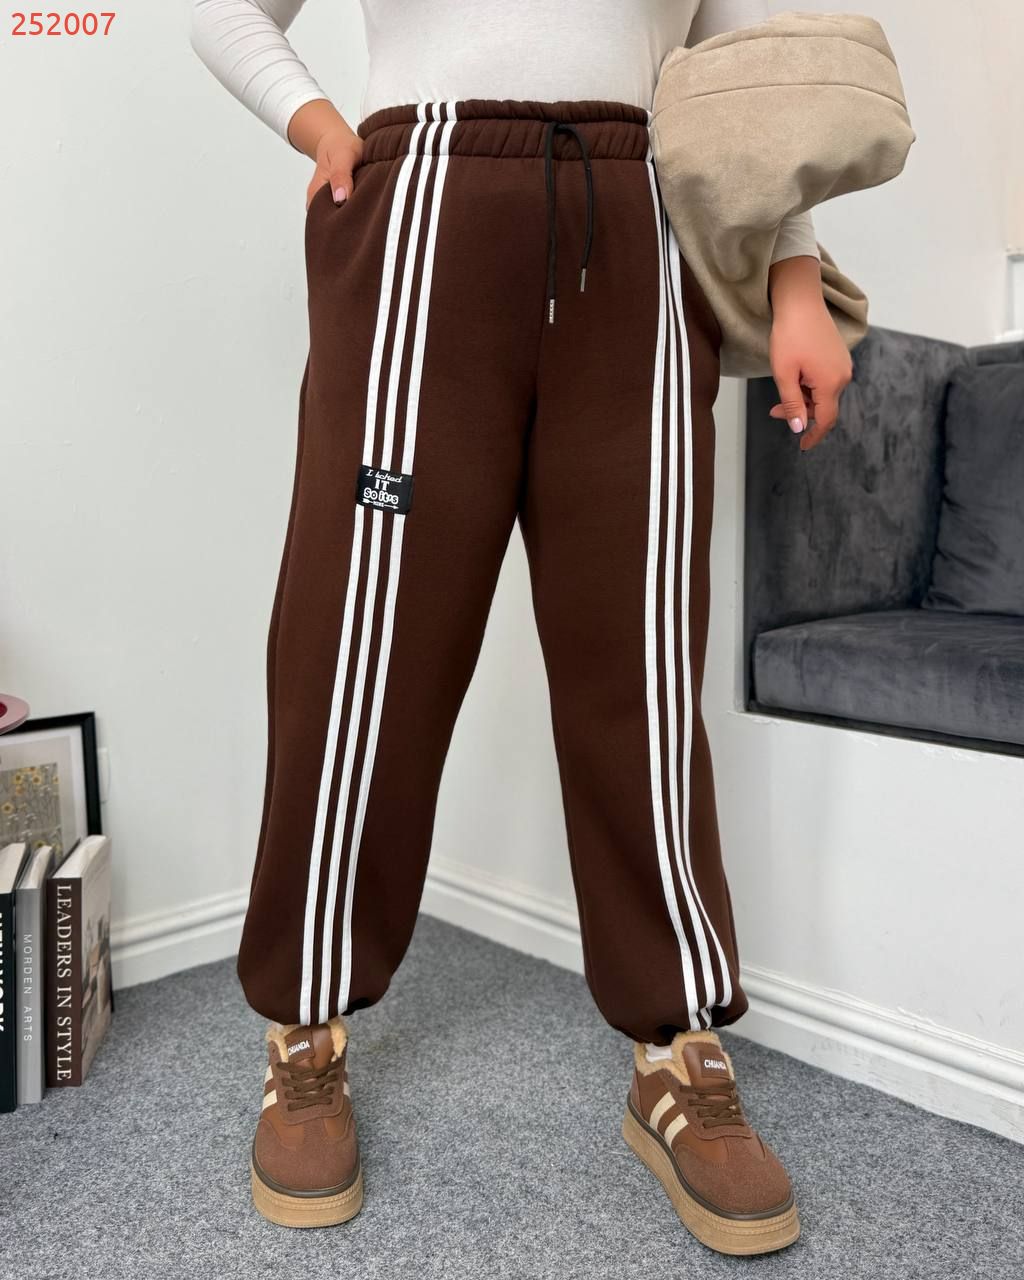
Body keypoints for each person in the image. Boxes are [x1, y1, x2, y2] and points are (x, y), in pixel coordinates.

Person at [191, 0, 852, 1253]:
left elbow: (754, 92)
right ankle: (304, 1024)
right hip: (419, 215)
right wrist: (319, 124)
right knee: (361, 647)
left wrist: (796, 280)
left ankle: (676, 1047)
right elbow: (226, 15)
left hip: (642, 234)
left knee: (639, 657)